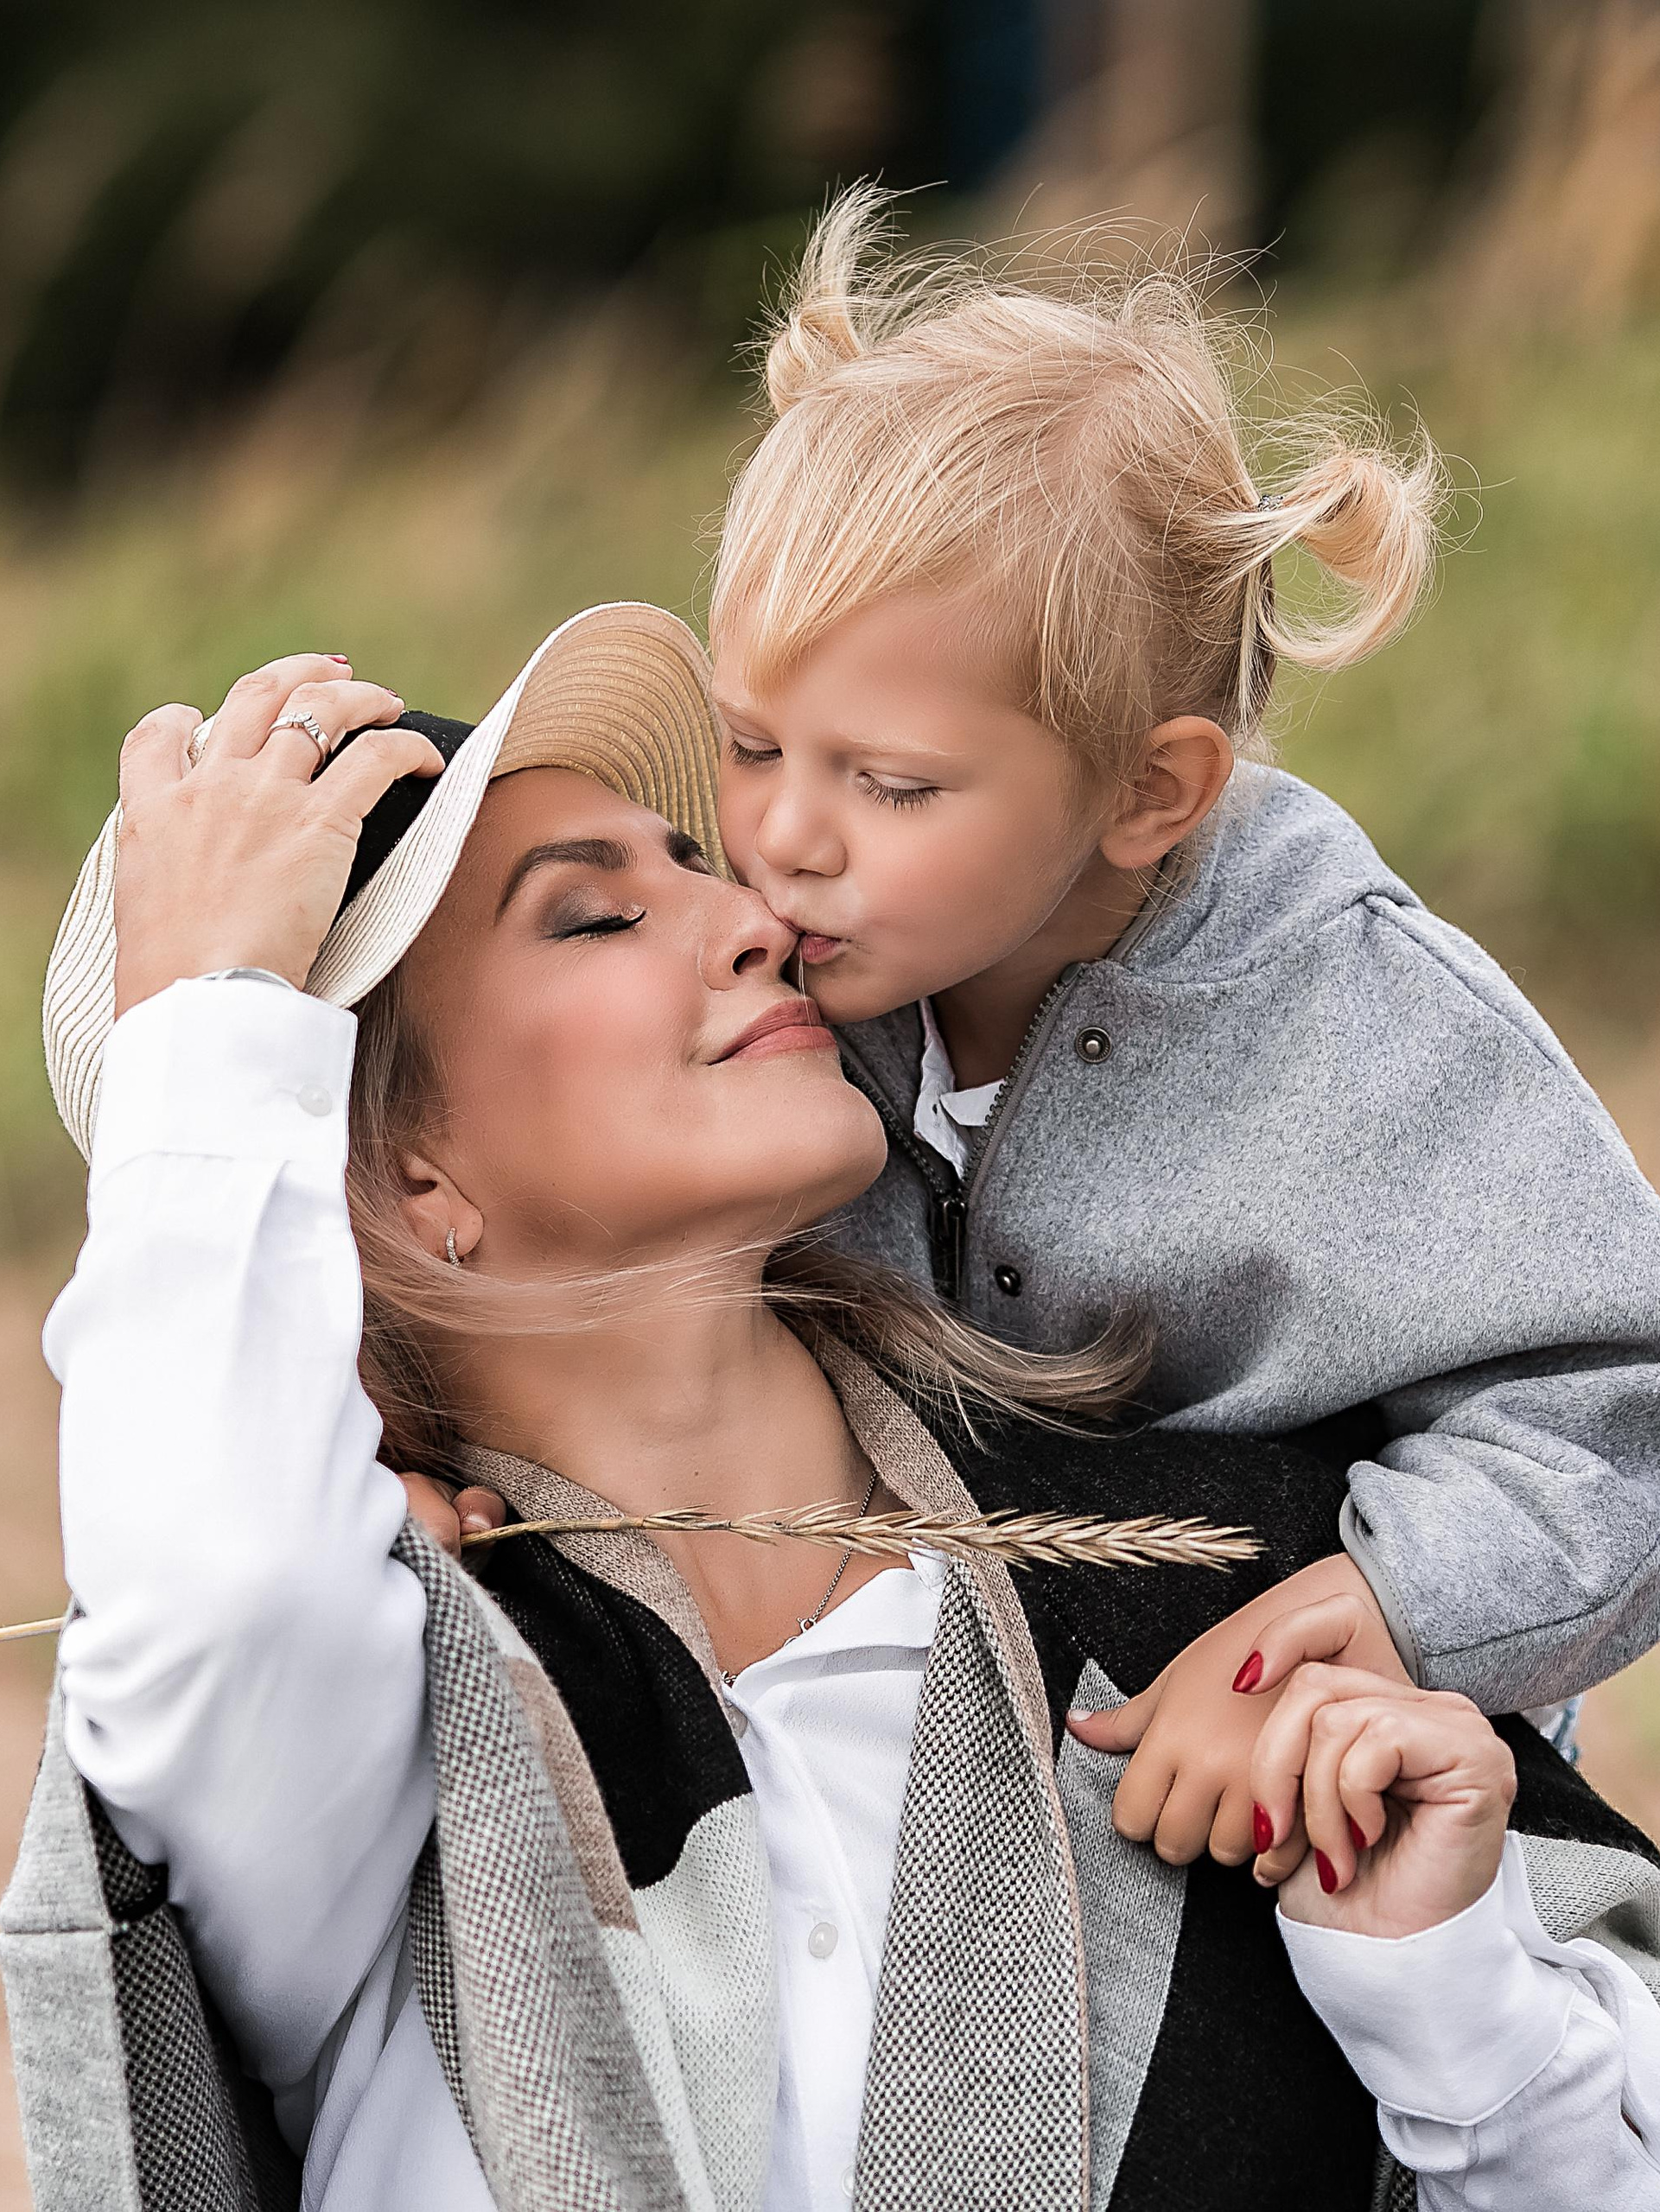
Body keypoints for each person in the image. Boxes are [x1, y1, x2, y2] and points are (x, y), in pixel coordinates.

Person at [1, 607, 1660, 2212]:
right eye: (592, 918)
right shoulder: (386, 1723)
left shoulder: (1236, 1594)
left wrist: (1454, 2004)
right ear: (400, 1176)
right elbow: (216, 1586)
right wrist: (213, 1010)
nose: (753, 922)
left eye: (696, 866)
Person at [690, 188, 1660, 1872]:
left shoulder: (1354, 1024)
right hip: (919, 1801)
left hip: (1318, 1835)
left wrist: (1348, 1619)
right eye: (749, 744)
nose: (782, 834)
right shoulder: (757, 954)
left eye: (890, 783)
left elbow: (1617, 1415)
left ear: (1150, 788)